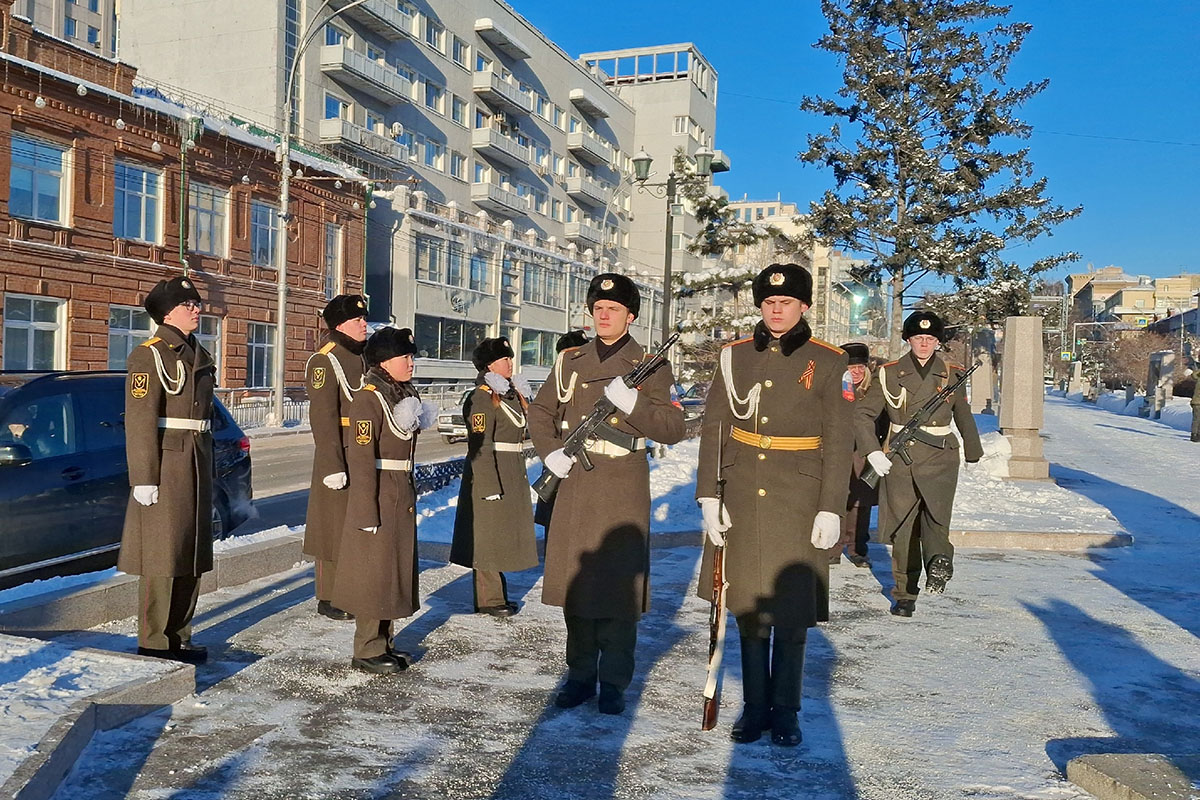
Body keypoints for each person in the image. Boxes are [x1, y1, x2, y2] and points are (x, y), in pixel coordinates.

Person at [696, 263, 854, 747]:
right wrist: (709, 493)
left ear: (804, 306)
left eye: (786, 302)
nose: (777, 309)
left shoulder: (829, 362)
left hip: (799, 496)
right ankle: (754, 705)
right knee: (745, 605)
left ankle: (786, 709)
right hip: (743, 491)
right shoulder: (734, 356)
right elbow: (715, 426)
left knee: (790, 610)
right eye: (768, 303)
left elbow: (839, 437)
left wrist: (832, 507)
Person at [527, 274, 685, 715]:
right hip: (575, 479)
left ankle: (614, 681)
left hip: (621, 483)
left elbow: (673, 428)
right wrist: (551, 453)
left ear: (630, 316)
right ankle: (579, 675)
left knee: (616, 589)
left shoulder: (650, 364)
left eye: (613, 309)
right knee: (577, 587)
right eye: (597, 307)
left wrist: (634, 404)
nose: (603, 314)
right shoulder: (571, 360)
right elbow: (541, 412)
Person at [854, 310, 983, 618]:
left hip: (941, 455)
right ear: (908, 340)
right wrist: (872, 451)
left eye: (930, 339)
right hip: (901, 459)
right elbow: (863, 416)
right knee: (904, 528)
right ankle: (904, 593)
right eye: (918, 338)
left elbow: (962, 414)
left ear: (937, 342)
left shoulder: (952, 373)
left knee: (937, 518)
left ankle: (939, 561)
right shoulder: (888, 373)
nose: (924, 344)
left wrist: (973, 449)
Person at [118, 276, 216, 663]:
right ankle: (154, 640)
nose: (196, 309)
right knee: (162, 556)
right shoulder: (150, 355)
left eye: (196, 303)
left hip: (195, 460)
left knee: (189, 552)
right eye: (187, 304)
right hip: (167, 463)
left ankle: (179, 635)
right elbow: (140, 421)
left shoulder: (196, 352)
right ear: (167, 312)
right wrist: (143, 477)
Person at [332, 327, 437, 674]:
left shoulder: (401, 394)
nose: (411, 363)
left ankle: (385, 642)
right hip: (377, 491)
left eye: (411, 356)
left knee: (391, 571)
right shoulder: (369, 398)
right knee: (373, 573)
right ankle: (366, 648)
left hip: (398, 491)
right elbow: (361, 459)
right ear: (383, 361)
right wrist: (365, 509)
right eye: (404, 357)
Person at [450, 336, 538, 617]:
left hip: (510, 469)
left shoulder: (511, 395)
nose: (510, 363)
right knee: (488, 536)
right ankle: (489, 599)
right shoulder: (482, 397)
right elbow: (480, 444)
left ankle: (497, 594)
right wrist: (488, 484)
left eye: (510, 358)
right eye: (504, 359)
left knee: (500, 534)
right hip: (490, 470)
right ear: (489, 365)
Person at [303, 294, 369, 621]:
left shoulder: (365, 358)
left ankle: (354, 586)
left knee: (356, 522)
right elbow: (323, 416)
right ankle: (329, 595)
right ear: (340, 325)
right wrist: (332, 464)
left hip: (363, 450)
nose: (364, 324)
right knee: (332, 527)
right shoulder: (325, 360)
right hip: (339, 452)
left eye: (364, 319)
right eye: (358, 320)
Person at [830, 342, 886, 568]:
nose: (856, 371)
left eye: (860, 367)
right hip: (837, 452)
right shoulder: (834, 390)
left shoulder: (872, 392)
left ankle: (857, 549)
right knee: (835, 501)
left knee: (860, 505)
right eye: (851, 367)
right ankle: (832, 548)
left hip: (864, 454)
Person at [533, 330, 590, 531]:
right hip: (562, 456)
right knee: (557, 523)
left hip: (586, 460)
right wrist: (554, 453)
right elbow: (541, 416)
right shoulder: (558, 380)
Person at [1190, 378, 1200, 443]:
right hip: (1197, 402)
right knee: (1196, 419)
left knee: (1196, 419)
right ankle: (1194, 435)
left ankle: (1196, 434)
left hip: (1196, 402)